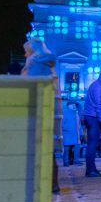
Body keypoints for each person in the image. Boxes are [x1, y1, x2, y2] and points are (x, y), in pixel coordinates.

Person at [21, 38, 61, 193]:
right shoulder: (44, 64)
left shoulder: (37, 65)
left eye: (26, 52)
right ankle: (51, 183)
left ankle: (48, 183)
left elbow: (31, 89)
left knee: (40, 148)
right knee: (46, 148)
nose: (24, 55)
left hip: (38, 112)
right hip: (45, 112)